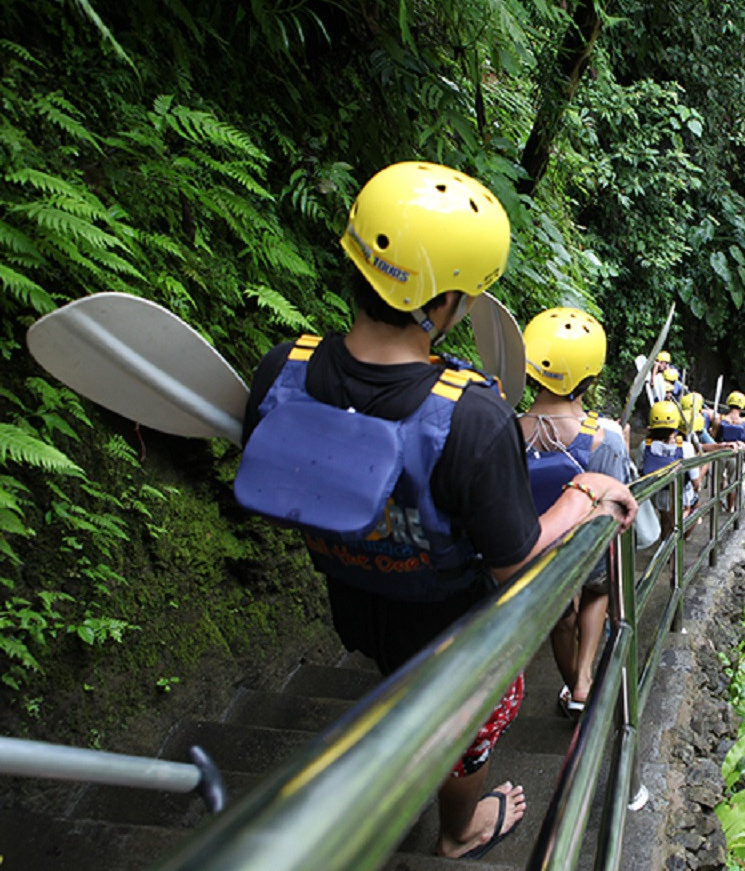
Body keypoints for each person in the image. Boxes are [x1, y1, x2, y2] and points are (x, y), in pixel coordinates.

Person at [235, 161, 636, 860]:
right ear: (448, 299)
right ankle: (459, 831)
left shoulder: (282, 369)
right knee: (468, 728)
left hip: (355, 601)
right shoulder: (472, 417)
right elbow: (515, 562)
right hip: (453, 632)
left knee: (398, 681)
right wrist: (583, 496)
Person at [519, 307, 629, 720]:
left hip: (537, 549)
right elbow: (617, 502)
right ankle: (584, 679)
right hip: (588, 550)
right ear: (590, 377)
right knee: (597, 591)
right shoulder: (605, 437)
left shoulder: (506, 430)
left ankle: (573, 688)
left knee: (560, 617)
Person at [642, 400, 698, 541]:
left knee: (665, 517)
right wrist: (696, 489)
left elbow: (640, 468)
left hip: (658, 494)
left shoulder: (645, 445)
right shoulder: (686, 447)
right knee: (692, 512)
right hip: (681, 494)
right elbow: (695, 479)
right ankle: (676, 541)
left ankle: (664, 543)